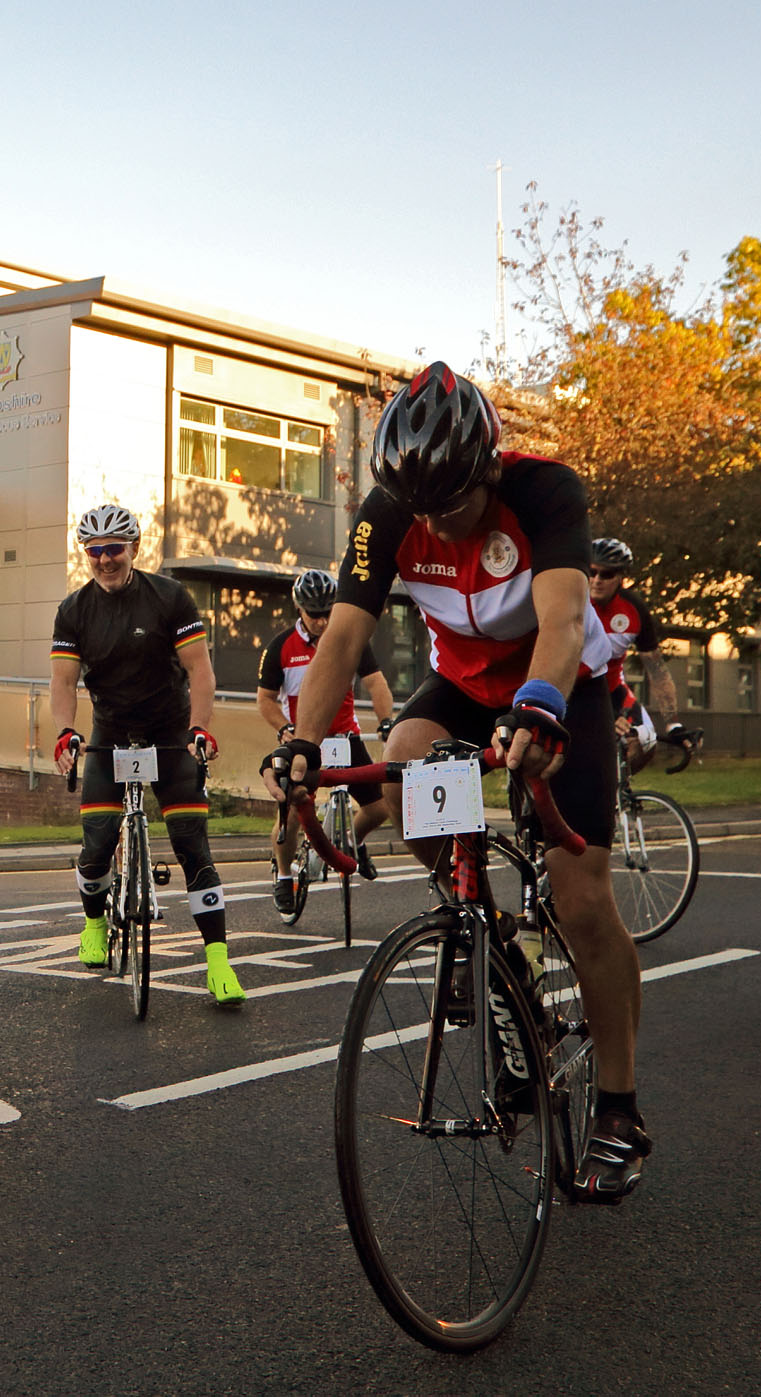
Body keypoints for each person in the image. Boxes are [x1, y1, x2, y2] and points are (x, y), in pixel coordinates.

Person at [263, 361, 650, 1202]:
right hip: (467, 687)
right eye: (422, 508)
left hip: (559, 686)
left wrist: (540, 706)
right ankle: (497, 944)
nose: (437, 523)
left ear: (487, 469)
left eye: (455, 503)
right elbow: (341, 641)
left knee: (582, 899)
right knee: (403, 766)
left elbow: (560, 620)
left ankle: (618, 1106)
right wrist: (299, 744)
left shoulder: (546, 492)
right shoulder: (389, 513)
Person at [48, 504, 237, 1005]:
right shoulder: (73, 610)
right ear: (85, 553)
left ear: (135, 547)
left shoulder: (170, 597)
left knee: (193, 847)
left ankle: (217, 959)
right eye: (95, 551)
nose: (105, 560)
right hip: (110, 732)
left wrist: (200, 728)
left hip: (169, 730)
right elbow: (64, 681)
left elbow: (199, 671)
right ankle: (93, 923)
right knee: (95, 846)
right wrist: (66, 731)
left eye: (115, 549)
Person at [256, 567, 395, 915]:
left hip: (345, 737)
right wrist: (284, 728)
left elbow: (377, 684)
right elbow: (265, 699)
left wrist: (386, 721)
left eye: (328, 613)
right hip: (303, 741)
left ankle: (353, 843)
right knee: (288, 814)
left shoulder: (348, 638)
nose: (321, 622)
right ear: (299, 610)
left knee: (381, 807)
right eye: (314, 615)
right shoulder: (280, 647)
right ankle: (285, 876)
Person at [587, 538, 686, 774]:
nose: (597, 580)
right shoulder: (573, 602)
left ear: (621, 577)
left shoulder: (634, 609)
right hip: (573, 690)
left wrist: (673, 723)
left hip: (611, 689)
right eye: (591, 572)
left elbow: (657, 671)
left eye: (607, 574)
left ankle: (617, 794)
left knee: (646, 741)